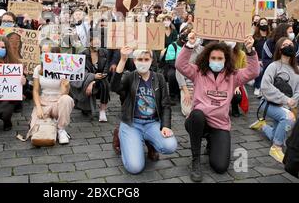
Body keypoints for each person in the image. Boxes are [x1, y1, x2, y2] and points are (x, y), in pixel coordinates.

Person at [176, 32, 259, 182]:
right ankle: (196, 160)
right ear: (207, 59)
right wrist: (189, 45)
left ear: (226, 60)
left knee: (220, 167)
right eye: (213, 58)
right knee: (196, 115)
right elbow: (180, 65)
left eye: (220, 58)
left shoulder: (233, 75)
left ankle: (211, 142)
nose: (216, 61)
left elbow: (253, 71)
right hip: (198, 121)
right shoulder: (198, 72)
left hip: (220, 125)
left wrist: (250, 51)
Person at [111, 47, 177, 175]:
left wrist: (166, 126)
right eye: (140, 59)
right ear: (135, 61)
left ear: (151, 60)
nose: (143, 62)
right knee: (135, 167)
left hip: (152, 123)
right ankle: (122, 136)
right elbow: (114, 87)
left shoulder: (159, 78)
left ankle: (148, 141)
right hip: (132, 123)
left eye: (146, 59)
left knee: (170, 146)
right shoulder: (130, 77)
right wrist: (123, 59)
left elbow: (165, 104)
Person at [250, 37, 299, 163]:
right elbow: (265, 87)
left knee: (277, 134)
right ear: (280, 49)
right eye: (285, 44)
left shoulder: (298, 69)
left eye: (291, 44)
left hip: (286, 106)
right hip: (268, 104)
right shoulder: (273, 66)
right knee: (288, 119)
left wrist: (291, 102)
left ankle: (263, 126)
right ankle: (276, 148)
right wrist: (286, 99)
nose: (289, 46)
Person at [30, 45, 74, 145]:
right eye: (42, 52)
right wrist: (39, 107)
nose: (43, 55)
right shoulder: (38, 68)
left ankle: (61, 129)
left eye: (46, 52)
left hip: (58, 102)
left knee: (66, 99)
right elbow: (36, 91)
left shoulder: (63, 68)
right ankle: (51, 123)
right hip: (44, 102)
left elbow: (64, 94)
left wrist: (66, 86)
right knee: (36, 127)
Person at [70, 34, 111, 122]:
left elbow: (106, 71)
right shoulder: (82, 55)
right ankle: (85, 107)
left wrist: (93, 82)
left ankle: (102, 110)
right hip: (87, 80)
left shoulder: (105, 53)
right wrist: (91, 78)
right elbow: (80, 72)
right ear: (89, 43)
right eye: (95, 42)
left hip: (101, 79)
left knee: (105, 83)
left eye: (98, 42)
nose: (97, 44)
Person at [176, 28, 204, 117]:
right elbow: (179, 71)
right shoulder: (184, 50)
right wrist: (186, 91)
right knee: (187, 112)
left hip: (200, 85)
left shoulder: (204, 51)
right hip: (187, 86)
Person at [226, 42, 247, 118]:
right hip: (221, 81)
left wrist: (237, 85)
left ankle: (234, 107)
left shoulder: (241, 54)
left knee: (238, 95)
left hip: (236, 81)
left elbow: (245, 71)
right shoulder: (218, 52)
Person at [253, 18, 271, 97]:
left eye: (265, 23)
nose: (264, 25)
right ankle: (257, 86)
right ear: (259, 25)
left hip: (268, 59)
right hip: (258, 59)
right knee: (260, 70)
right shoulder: (255, 37)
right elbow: (253, 50)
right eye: (262, 23)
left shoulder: (270, 37)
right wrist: (257, 60)